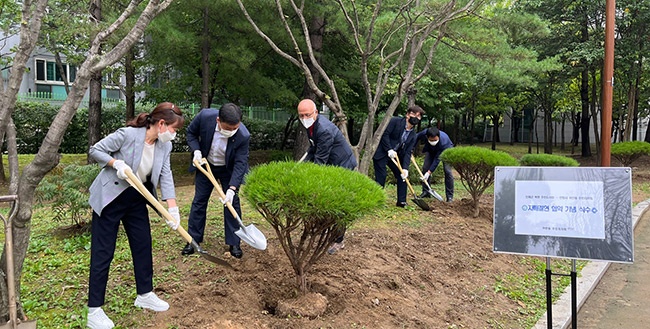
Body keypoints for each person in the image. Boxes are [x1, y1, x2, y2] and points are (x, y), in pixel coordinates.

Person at [86, 102, 185, 329]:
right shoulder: (128, 135)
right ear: (161, 124)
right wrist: (115, 162)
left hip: (137, 198)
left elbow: (166, 175)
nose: (174, 134)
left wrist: (173, 208)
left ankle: (144, 294)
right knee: (103, 252)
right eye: (174, 129)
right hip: (110, 198)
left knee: (143, 245)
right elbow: (95, 149)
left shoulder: (163, 146)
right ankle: (94, 309)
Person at [184, 103, 250, 259]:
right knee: (199, 201)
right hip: (206, 165)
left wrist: (232, 188)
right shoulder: (205, 117)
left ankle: (234, 242)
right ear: (218, 120)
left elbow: (241, 163)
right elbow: (191, 133)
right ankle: (193, 240)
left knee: (231, 203)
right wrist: (197, 151)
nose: (233, 131)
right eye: (229, 128)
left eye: (235, 128)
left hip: (229, 169)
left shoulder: (243, 135)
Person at [297, 99, 357, 254]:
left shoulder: (324, 130)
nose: (304, 118)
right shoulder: (311, 126)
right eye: (301, 115)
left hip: (342, 165)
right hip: (332, 162)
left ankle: (338, 240)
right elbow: (313, 149)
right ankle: (325, 231)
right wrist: (299, 166)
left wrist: (308, 177)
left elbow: (320, 161)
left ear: (316, 113)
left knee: (338, 201)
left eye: (307, 115)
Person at [372, 105, 425, 207]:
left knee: (403, 177)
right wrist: (389, 149)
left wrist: (405, 168)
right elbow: (385, 134)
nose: (416, 117)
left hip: (396, 156)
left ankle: (401, 201)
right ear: (407, 115)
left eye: (418, 116)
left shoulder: (413, 135)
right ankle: (377, 200)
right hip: (382, 153)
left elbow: (408, 152)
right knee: (381, 176)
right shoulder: (395, 121)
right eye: (413, 114)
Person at [416, 126, 454, 202]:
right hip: (431, 150)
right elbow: (415, 138)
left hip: (446, 150)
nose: (433, 141)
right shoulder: (424, 133)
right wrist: (410, 149)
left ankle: (449, 196)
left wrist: (429, 172)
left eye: (435, 140)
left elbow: (437, 159)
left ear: (438, 137)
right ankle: (426, 191)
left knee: (448, 171)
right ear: (427, 137)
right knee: (425, 168)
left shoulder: (443, 142)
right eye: (431, 140)